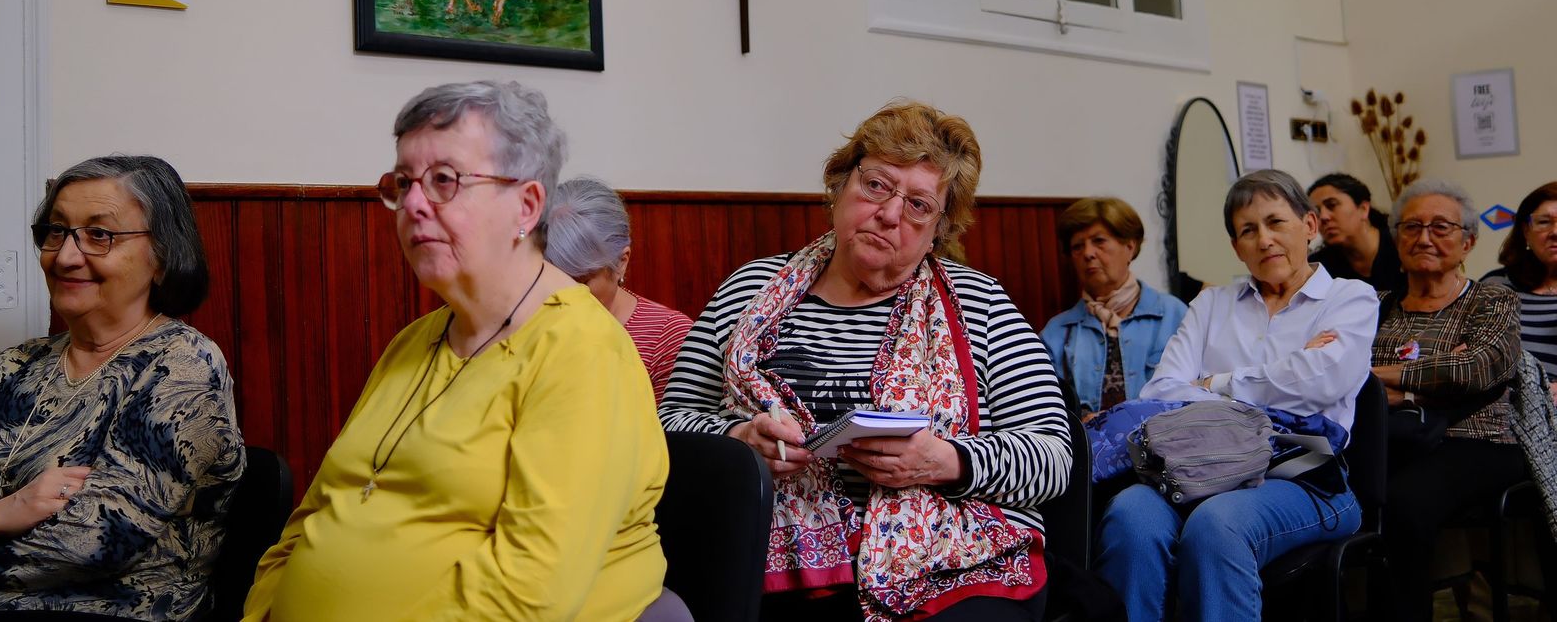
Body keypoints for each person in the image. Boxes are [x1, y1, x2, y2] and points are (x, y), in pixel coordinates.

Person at [243, 81, 671, 621]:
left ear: (526, 204)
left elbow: (528, 594)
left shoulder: (581, 350)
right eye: (403, 183)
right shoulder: (415, 340)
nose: (413, 205)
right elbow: (313, 518)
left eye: (444, 180)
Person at [658, 100, 1072, 622]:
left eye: (919, 205)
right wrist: (738, 444)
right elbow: (666, 429)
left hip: (953, 565)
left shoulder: (981, 304)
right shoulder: (749, 290)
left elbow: (1053, 458)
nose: (891, 214)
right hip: (765, 559)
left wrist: (946, 461)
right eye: (876, 185)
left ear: (939, 229)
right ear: (840, 185)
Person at [0, 155, 242, 619]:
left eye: (99, 235)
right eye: (56, 231)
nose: (66, 256)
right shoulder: (10, 368)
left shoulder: (182, 368)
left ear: (163, 257)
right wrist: (3, 512)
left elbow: (93, 540)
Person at [1094, 170, 1378, 622]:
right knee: (1130, 515)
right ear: (1236, 247)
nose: (1264, 240)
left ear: (1309, 226)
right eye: (1248, 230)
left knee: (1216, 525)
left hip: (1306, 479)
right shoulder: (1212, 305)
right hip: (1197, 471)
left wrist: (1217, 383)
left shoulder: (1350, 298)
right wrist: (1284, 379)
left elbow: (1326, 381)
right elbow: (1163, 392)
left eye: (1275, 222)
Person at [1369, 180, 1523, 621]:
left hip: (1479, 439)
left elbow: (1476, 370)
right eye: (1412, 227)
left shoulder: (1492, 300)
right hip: (1389, 437)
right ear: (1397, 239)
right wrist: (1438, 374)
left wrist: (1389, 379)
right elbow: (1337, 377)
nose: (1424, 238)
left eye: (1441, 227)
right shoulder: (1374, 306)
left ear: (1468, 241)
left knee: (1402, 503)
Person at [545, 177, 697, 403]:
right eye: (551, 276)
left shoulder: (668, 336)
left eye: (581, 282)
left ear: (621, 262)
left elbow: (670, 435)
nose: (562, 295)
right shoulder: (527, 322)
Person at [1041, 197, 1187, 421]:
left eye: (1099, 241)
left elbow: (1199, 391)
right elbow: (1044, 411)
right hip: (1089, 452)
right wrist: (1078, 424)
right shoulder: (1056, 333)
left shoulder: (1175, 315)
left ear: (1130, 247)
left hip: (1166, 448)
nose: (1088, 253)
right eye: (1077, 246)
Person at [1483, 181, 1557, 388]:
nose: (1555, 232)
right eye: (1544, 222)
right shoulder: (1496, 285)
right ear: (1526, 232)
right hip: (1502, 403)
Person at [1308, 172, 1406, 295]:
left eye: (1332, 205)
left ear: (1363, 209)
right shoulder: (1319, 268)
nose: (1323, 217)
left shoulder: (1402, 246)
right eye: (1316, 212)